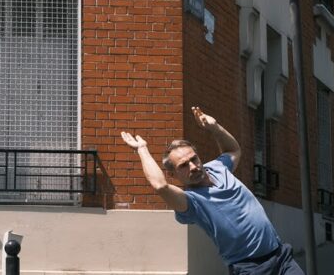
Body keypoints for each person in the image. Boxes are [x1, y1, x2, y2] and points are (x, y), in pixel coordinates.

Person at [121, 107, 305, 275]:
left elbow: (233, 149)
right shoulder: (191, 202)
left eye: (194, 159)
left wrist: (215, 127)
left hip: (281, 256)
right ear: (174, 174)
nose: (193, 167)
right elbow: (160, 186)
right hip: (251, 268)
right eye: (183, 165)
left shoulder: (218, 167)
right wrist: (142, 149)